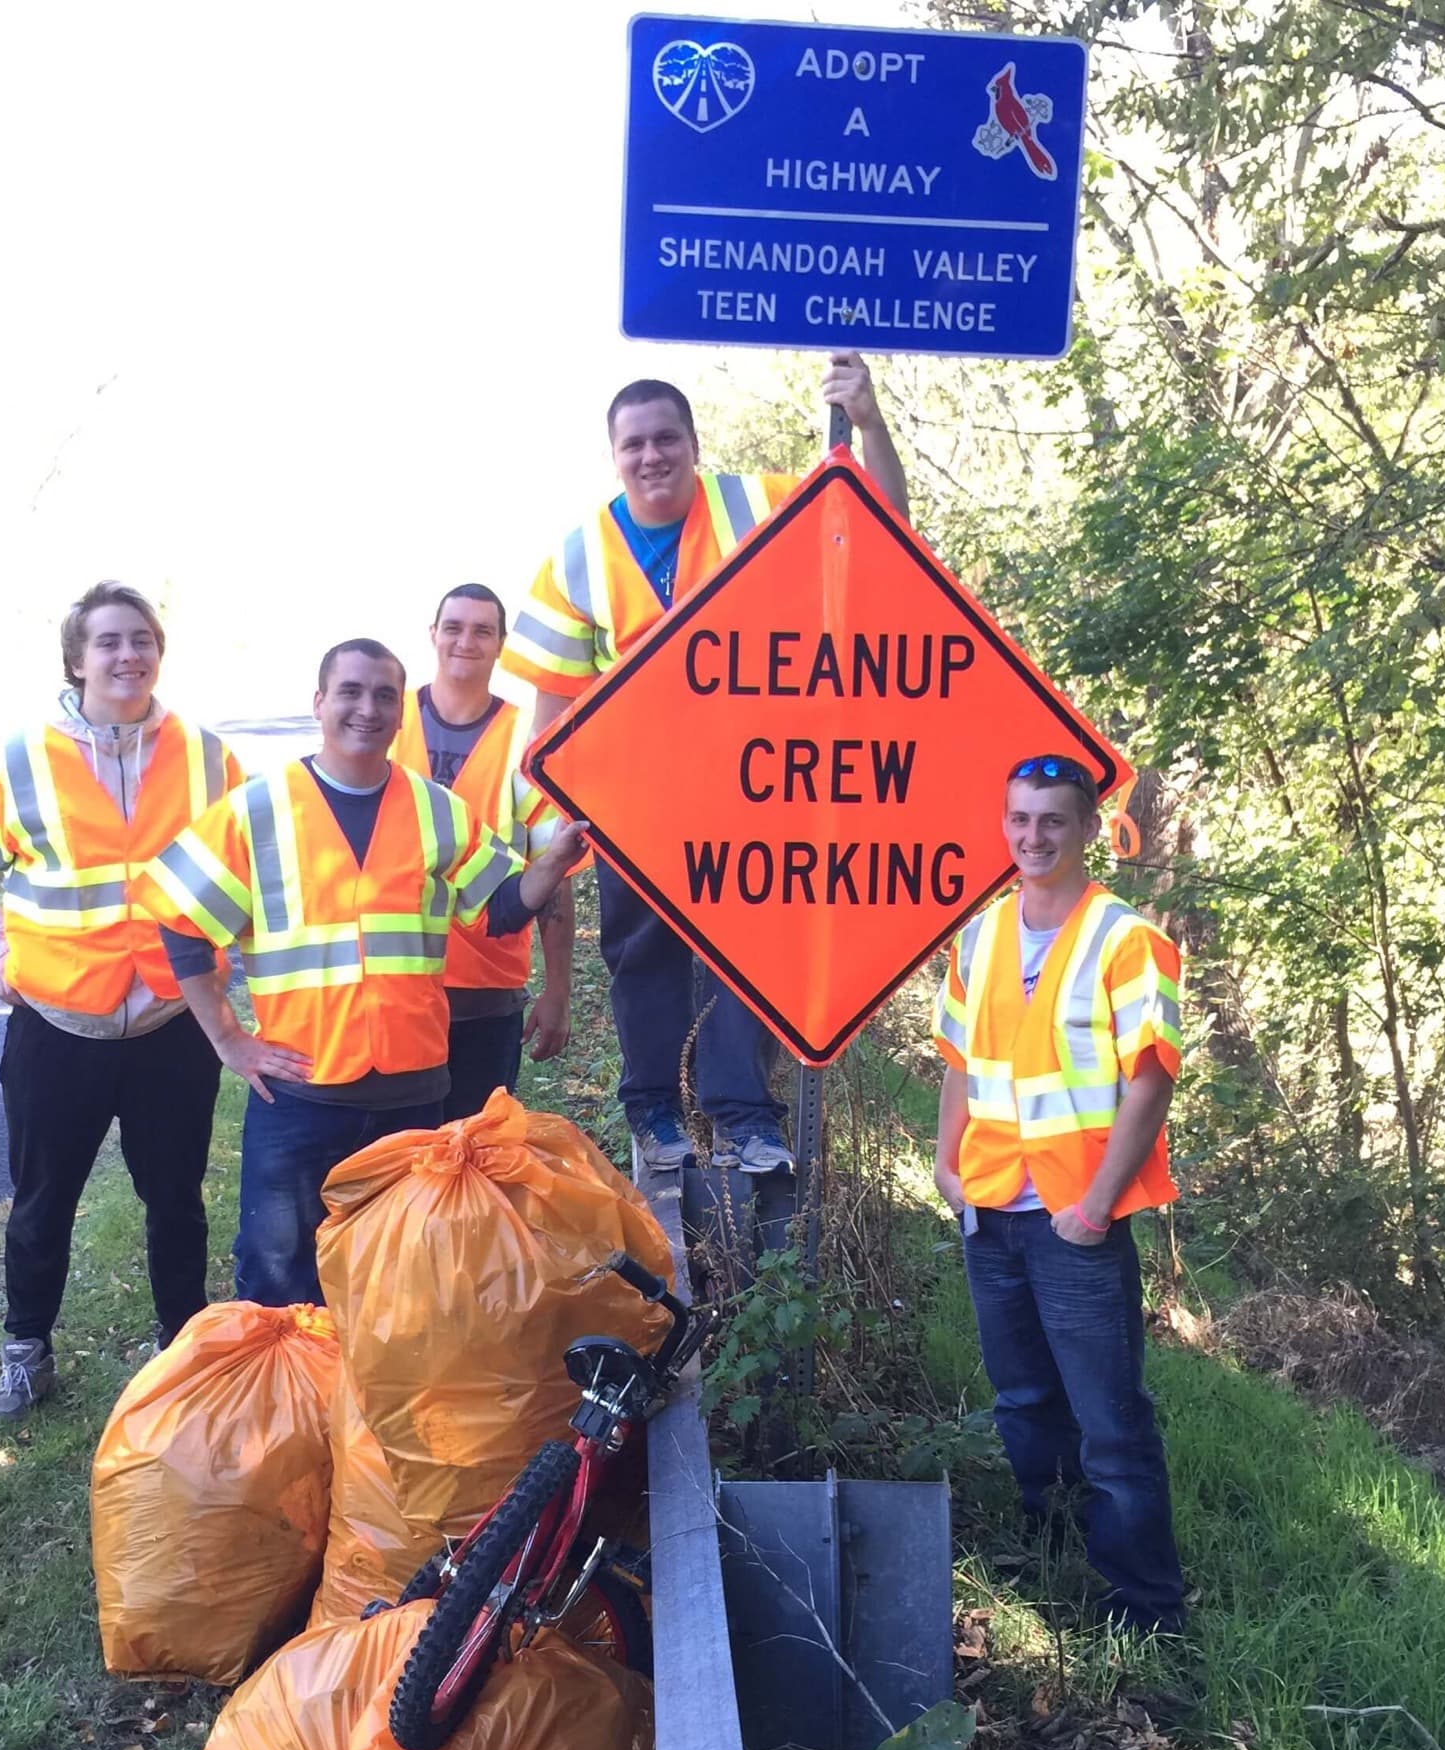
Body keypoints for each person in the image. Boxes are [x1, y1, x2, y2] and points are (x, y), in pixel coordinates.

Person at [503, 354, 908, 1175]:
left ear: (694, 443)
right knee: (643, 958)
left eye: (666, 440)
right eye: (634, 445)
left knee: (746, 952)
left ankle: (743, 1116)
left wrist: (867, 422)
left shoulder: (758, 504)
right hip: (635, 801)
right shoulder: (579, 556)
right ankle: (654, 1112)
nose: (651, 457)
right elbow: (553, 712)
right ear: (613, 455)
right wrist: (555, 826)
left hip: (757, 789)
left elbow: (885, 530)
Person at [132, 638, 585, 1308]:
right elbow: (180, 916)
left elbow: (500, 911)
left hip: (414, 1090)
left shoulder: (437, 809)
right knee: (281, 1274)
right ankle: (288, 1407)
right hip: (300, 1091)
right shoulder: (259, 809)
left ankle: (375, 1406)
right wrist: (229, 1039)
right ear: (319, 703)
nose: (365, 708)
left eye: (382, 695)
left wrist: (553, 862)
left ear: (399, 716)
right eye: (349, 691)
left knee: (403, 1272)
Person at [0, 580, 245, 1424]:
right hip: (59, 1022)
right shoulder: (20, 755)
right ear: (77, 658)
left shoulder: (208, 756)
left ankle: (184, 1357)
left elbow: (243, 866)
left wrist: (227, 965)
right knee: (41, 1199)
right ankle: (27, 1357)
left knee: (174, 1198)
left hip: (172, 1022)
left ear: (158, 653)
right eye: (109, 641)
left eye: (141, 639)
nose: (128, 654)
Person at [931, 754, 1187, 1633]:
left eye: (1052, 821)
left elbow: (1151, 1081)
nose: (1033, 836)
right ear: (1004, 825)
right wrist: (945, 1164)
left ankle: (1146, 1608)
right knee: (1023, 1402)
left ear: (1088, 830)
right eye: (1019, 819)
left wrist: (1095, 1208)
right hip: (992, 1207)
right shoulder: (982, 936)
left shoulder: (1127, 940)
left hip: (1076, 1218)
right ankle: (1050, 1557)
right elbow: (961, 1063)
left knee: (1110, 1422)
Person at [390, 582, 573, 1120]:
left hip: (485, 990)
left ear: (500, 645)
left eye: (482, 631)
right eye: (454, 627)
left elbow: (553, 870)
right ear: (433, 635)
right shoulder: (385, 717)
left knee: (474, 1167)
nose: (465, 641)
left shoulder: (525, 740)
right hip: (390, 988)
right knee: (392, 1171)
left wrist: (557, 990)